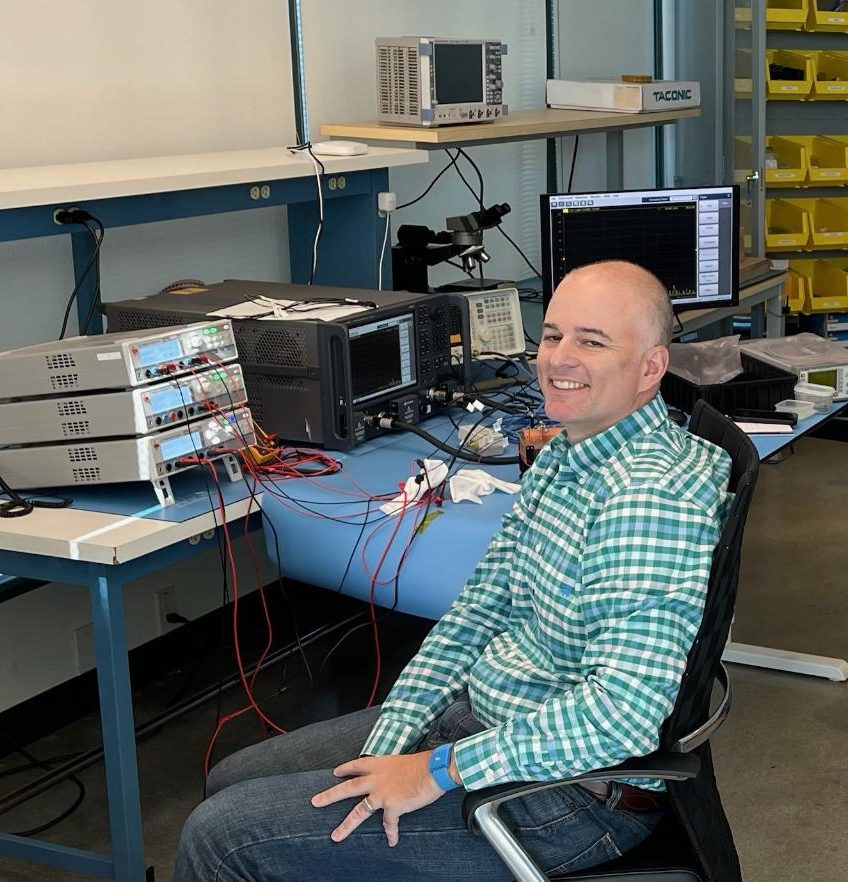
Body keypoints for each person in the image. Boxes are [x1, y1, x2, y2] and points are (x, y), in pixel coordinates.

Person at [172, 260, 732, 882]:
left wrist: (434, 770)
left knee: (220, 838)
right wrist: (395, 738)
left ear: (651, 368)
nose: (558, 358)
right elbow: (478, 612)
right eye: (551, 335)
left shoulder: (646, 499)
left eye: (592, 342)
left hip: (568, 795)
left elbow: (621, 715)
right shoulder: (566, 455)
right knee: (231, 782)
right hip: (489, 718)